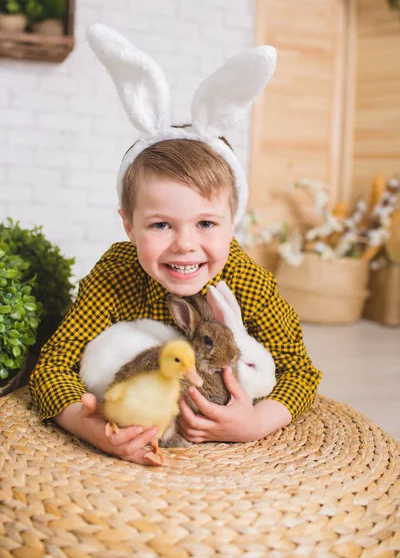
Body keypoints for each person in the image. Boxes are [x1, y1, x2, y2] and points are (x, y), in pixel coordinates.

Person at [29, 24, 322, 466]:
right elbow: (53, 366)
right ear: (129, 227)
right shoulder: (115, 273)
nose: (186, 245)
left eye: (206, 223)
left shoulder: (247, 280)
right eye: (161, 225)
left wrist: (257, 422)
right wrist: (91, 427)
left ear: (232, 224)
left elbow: (299, 371)